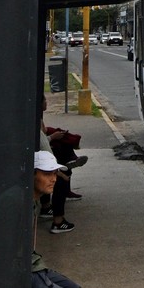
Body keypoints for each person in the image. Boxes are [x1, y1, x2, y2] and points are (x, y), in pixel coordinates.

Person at [31, 150, 83, 288]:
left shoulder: (35, 201)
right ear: (31, 174)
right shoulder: (18, 202)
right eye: (46, 173)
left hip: (33, 264)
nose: (53, 179)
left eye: (54, 173)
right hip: (21, 270)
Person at [38, 97, 86, 234]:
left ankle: (47, 207)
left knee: (62, 144)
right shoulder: (35, 122)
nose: (47, 103)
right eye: (44, 101)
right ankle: (58, 221)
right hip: (42, 161)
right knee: (62, 178)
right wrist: (58, 171)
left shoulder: (35, 119)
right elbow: (44, 146)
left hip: (41, 158)